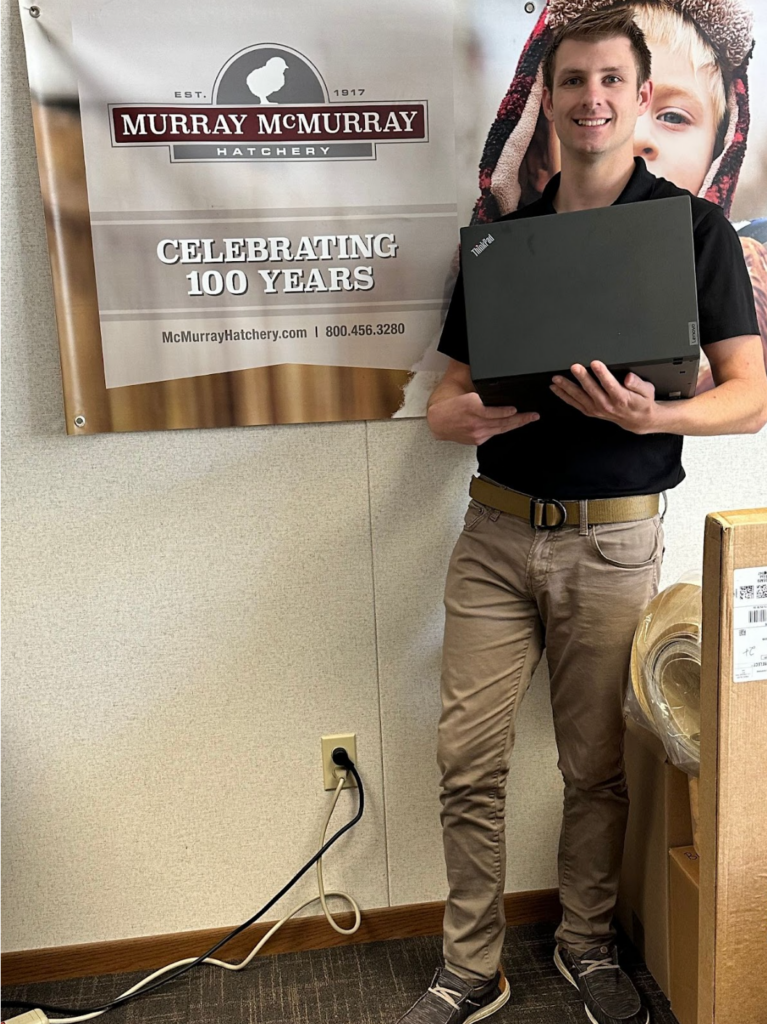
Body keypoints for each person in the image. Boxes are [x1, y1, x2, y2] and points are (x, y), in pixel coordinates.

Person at [395, 8, 767, 1024]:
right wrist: (456, 416)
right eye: (571, 82)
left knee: (595, 766)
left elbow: (751, 391)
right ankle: (469, 964)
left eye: (610, 80)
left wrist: (662, 412)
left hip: (612, 535)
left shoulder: (692, 233)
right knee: (464, 760)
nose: (590, 100)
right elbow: (442, 399)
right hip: (492, 531)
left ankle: (587, 946)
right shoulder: (500, 243)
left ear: (640, 98)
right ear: (546, 99)